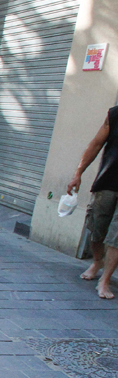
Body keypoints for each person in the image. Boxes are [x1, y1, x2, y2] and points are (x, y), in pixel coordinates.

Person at [67, 106, 118, 299]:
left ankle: (104, 279)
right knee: (98, 228)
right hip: (107, 181)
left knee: (116, 237)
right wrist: (77, 174)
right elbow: (96, 144)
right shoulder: (114, 115)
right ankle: (97, 262)